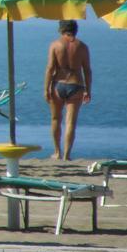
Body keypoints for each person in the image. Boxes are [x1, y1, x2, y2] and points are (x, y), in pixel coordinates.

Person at [44, 20, 92, 160]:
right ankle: (67, 155)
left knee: (55, 119)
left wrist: (46, 89)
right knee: (70, 122)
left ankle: (57, 152)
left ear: (61, 30)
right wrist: (88, 90)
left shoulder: (55, 45)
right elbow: (87, 70)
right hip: (76, 85)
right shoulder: (82, 47)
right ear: (75, 30)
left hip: (58, 84)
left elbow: (50, 68)